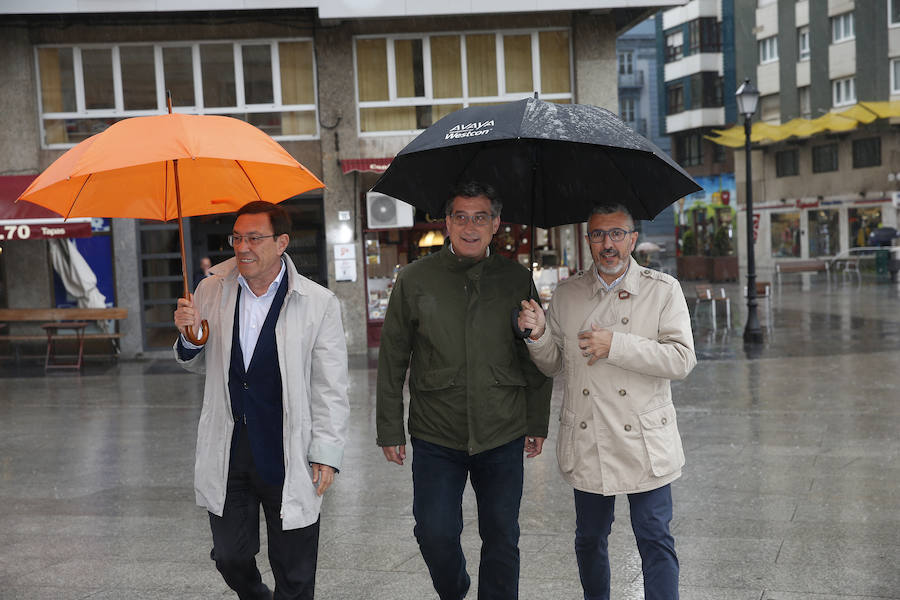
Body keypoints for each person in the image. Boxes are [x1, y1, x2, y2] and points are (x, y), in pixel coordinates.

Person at [376, 181, 552, 600]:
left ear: (495, 225)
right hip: (437, 431)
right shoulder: (416, 279)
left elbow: (536, 352)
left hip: (502, 428)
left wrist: (536, 419)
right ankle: (454, 589)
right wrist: (389, 428)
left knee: (503, 537)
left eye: (480, 217)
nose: (470, 227)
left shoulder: (516, 278)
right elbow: (392, 356)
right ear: (447, 222)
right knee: (434, 532)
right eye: (460, 217)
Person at [517, 204, 696, 600]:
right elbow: (552, 365)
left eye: (617, 234)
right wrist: (538, 334)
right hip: (589, 433)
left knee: (655, 539)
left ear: (633, 238)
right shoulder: (567, 294)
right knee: (589, 539)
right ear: (588, 241)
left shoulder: (663, 289)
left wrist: (616, 345)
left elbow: (682, 360)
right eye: (598, 234)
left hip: (644, 439)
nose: (608, 243)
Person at [173, 201, 350, 600]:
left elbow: (330, 386)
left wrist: (326, 452)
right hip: (229, 448)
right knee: (230, 557)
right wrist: (191, 339)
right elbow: (198, 363)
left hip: (289, 450)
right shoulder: (210, 289)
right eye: (237, 237)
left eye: (254, 237)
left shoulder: (317, 302)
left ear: (282, 242)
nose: (242, 247)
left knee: (296, 572)